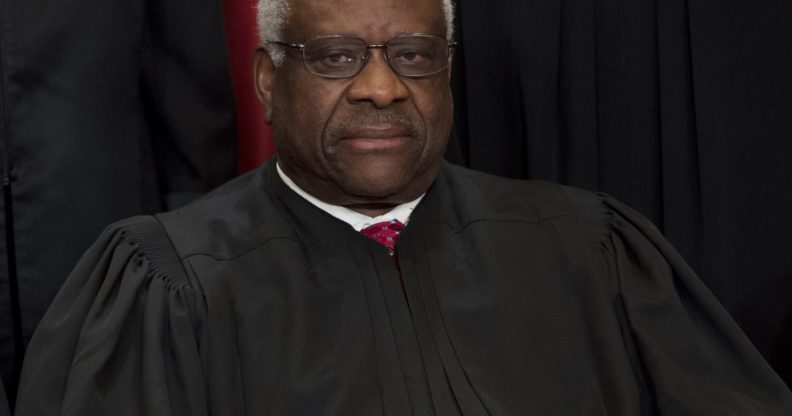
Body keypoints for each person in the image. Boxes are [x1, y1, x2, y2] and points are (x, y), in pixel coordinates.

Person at [14, 0, 792, 414]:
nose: (382, 88)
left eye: (414, 56)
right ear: (266, 82)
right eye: (336, 56)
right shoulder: (169, 288)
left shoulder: (589, 251)